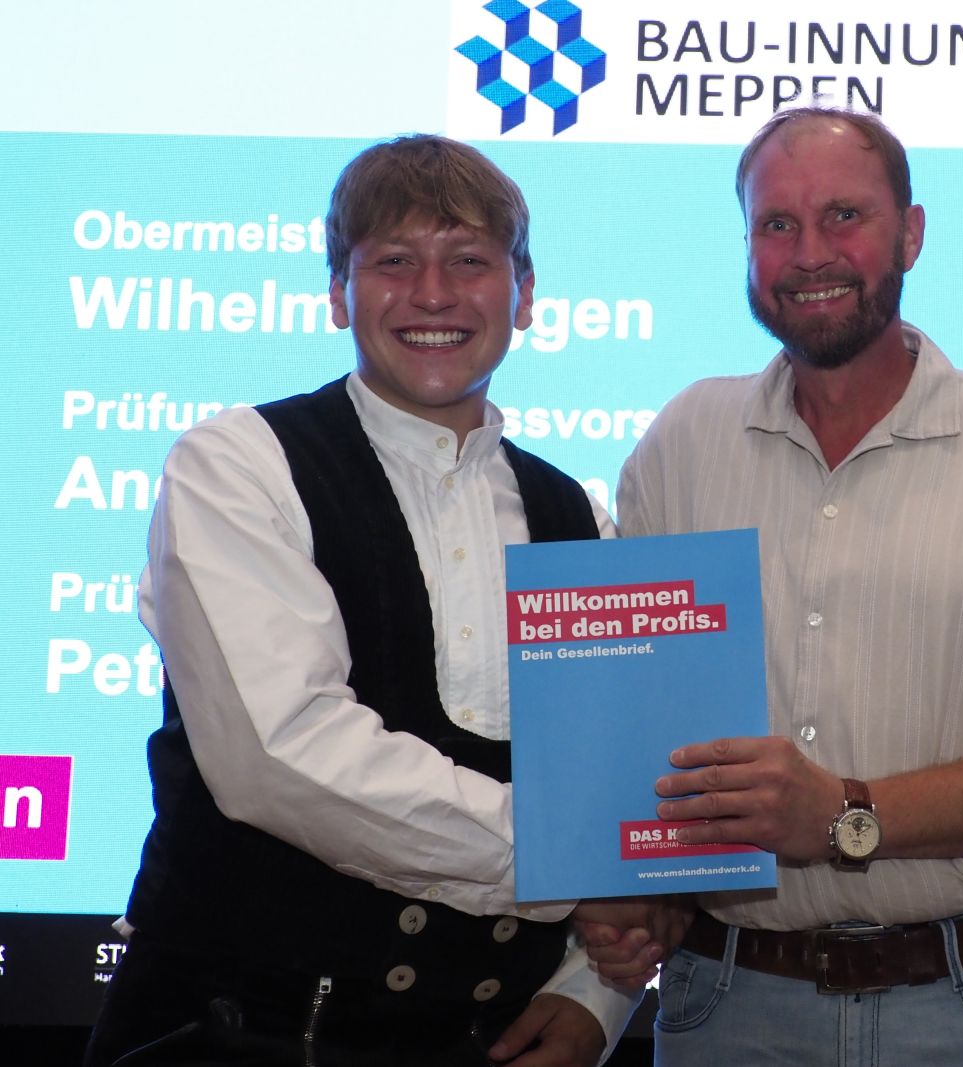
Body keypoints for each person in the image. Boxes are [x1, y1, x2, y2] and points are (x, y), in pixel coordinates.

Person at [607, 108, 963, 1065]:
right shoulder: (684, 441)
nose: (810, 252)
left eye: (845, 215)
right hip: (735, 1007)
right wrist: (625, 897)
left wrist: (846, 814)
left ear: (911, 234)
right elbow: (628, 726)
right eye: (777, 224)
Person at [85, 134, 643, 1067]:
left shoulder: (580, 521)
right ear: (340, 293)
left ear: (524, 294)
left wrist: (596, 991)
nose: (434, 293)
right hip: (234, 1037)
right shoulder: (238, 467)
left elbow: (621, 783)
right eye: (393, 261)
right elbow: (280, 754)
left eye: (469, 261)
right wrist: (574, 865)